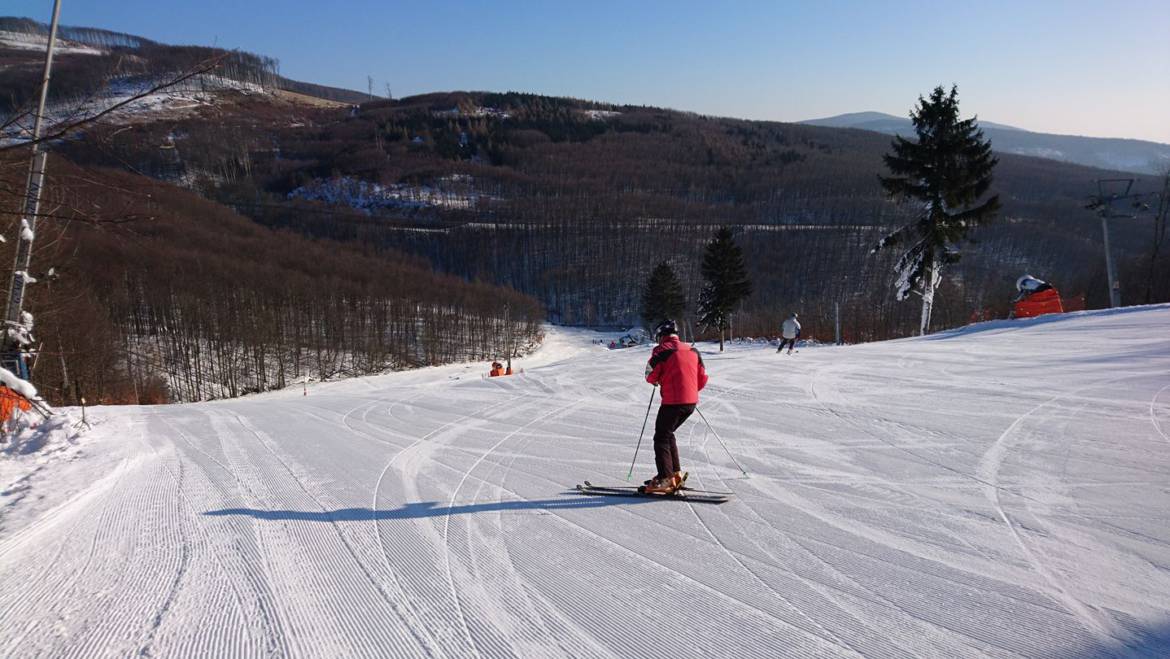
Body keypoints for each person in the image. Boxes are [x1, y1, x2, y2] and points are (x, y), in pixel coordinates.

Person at [642, 319, 708, 494]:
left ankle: (665, 479)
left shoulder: (661, 351)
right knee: (668, 433)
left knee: (661, 437)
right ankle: (674, 474)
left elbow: (650, 374)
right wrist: (689, 391)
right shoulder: (693, 350)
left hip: (673, 402)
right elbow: (702, 378)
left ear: (661, 335)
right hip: (690, 402)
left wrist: (657, 380)